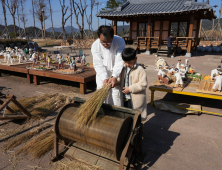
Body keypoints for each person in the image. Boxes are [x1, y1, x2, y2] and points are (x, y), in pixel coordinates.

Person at [91, 25, 126, 106]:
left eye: (108, 41)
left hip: (116, 72)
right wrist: (104, 78)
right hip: (101, 74)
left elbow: (119, 61)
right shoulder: (95, 45)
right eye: (103, 41)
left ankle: (116, 114)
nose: (106, 44)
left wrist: (114, 76)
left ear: (113, 37)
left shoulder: (119, 42)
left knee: (115, 95)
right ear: (99, 38)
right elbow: (98, 64)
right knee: (101, 95)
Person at [119, 48, 147, 121]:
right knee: (126, 116)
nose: (127, 64)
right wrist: (114, 81)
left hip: (135, 100)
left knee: (135, 117)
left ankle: (136, 130)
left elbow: (143, 84)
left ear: (135, 58)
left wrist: (130, 89)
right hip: (125, 97)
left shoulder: (140, 70)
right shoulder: (123, 68)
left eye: (130, 63)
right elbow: (120, 80)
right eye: (125, 62)